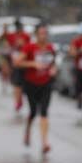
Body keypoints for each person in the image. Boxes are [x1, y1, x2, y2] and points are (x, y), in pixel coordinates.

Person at [16, 24, 57, 154]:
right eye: (41, 34)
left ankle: (44, 142)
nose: (43, 36)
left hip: (46, 83)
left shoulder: (50, 48)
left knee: (44, 111)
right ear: (36, 35)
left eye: (45, 34)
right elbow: (17, 62)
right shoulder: (29, 47)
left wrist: (53, 70)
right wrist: (32, 63)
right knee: (33, 112)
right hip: (31, 84)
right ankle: (28, 130)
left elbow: (53, 63)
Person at [1, 18, 30, 109]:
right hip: (14, 62)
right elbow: (5, 44)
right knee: (16, 82)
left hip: (24, 62)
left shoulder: (26, 36)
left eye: (19, 27)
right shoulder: (11, 36)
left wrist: (23, 44)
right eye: (17, 27)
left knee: (23, 82)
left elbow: (29, 47)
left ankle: (20, 98)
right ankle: (18, 101)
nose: (18, 29)